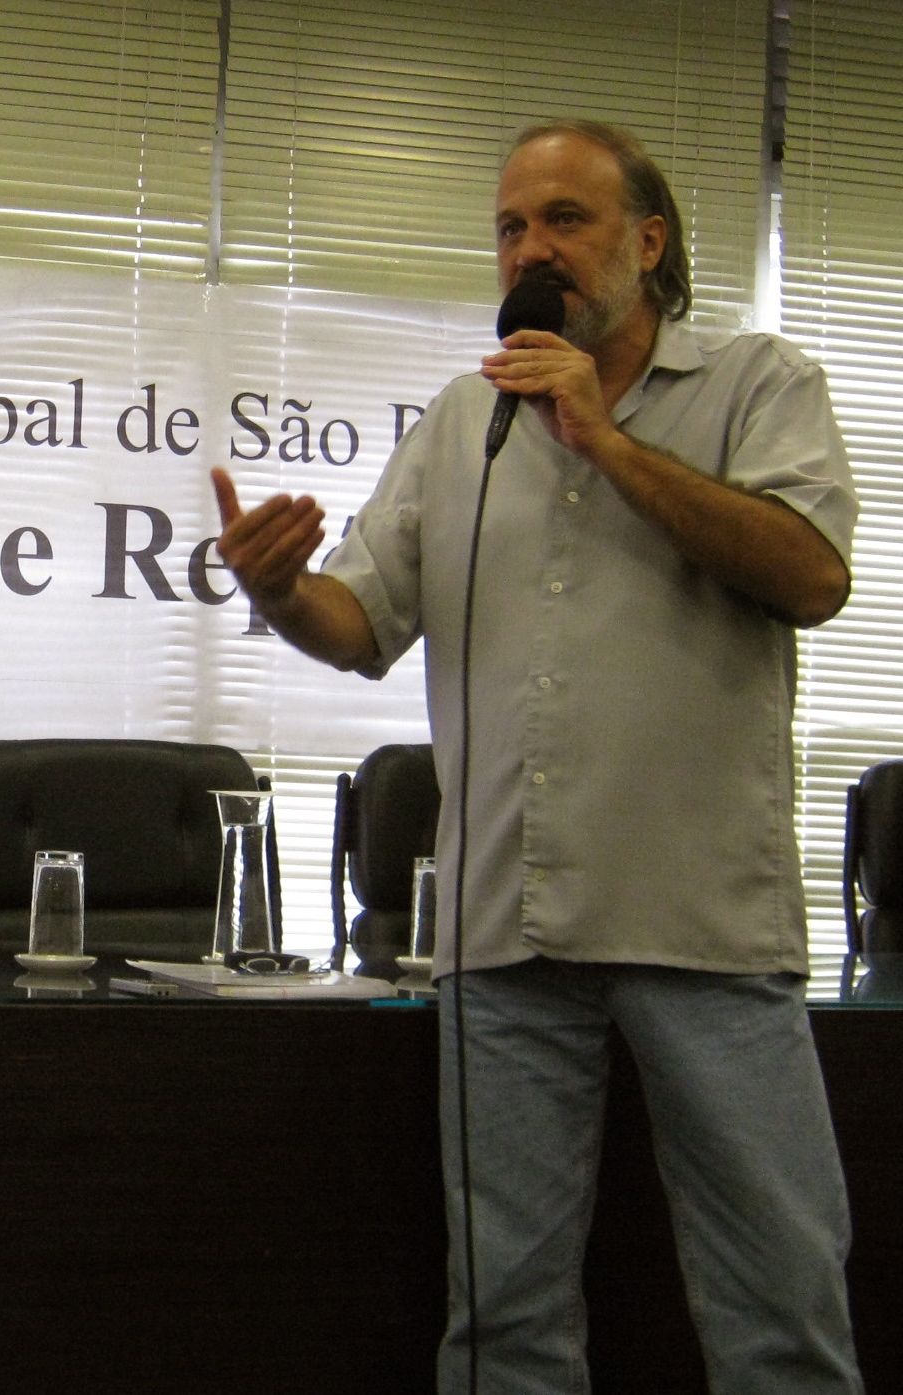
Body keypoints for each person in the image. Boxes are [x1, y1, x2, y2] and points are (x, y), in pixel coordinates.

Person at [213, 120, 863, 1393]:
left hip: (703, 926)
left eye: (564, 218)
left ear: (648, 241)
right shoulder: (464, 419)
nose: (530, 249)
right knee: (500, 1324)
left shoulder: (755, 382)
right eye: (510, 227)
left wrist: (603, 438)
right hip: (501, 932)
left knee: (776, 1309)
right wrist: (278, 591)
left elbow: (809, 575)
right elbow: (359, 625)